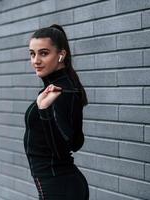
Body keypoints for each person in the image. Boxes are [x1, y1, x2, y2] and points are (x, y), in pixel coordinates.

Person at [23, 24, 89, 200]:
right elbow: (76, 141)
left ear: (61, 55)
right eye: (32, 53)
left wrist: (44, 111)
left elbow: (62, 150)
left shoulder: (61, 91)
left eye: (43, 53)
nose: (35, 60)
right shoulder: (60, 89)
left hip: (59, 188)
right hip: (60, 186)